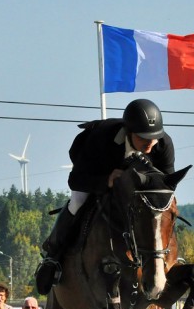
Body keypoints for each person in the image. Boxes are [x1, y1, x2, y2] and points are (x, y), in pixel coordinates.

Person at [35, 98, 174, 295]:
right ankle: (52, 255)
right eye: (143, 137)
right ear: (129, 132)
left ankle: (164, 256)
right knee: (78, 201)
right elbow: (76, 181)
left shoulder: (163, 144)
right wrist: (106, 180)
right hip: (97, 168)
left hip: (138, 182)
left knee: (159, 213)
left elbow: (167, 184)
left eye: (153, 137)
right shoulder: (102, 138)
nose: (150, 142)